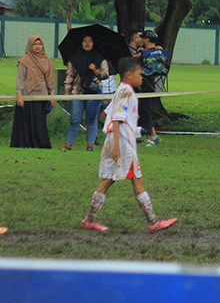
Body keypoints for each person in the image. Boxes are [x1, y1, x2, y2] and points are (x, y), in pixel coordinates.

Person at [80, 58, 177, 233]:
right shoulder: (126, 92)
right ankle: (153, 222)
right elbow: (117, 119)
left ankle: (90, 219)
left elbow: (108, 115)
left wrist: (138, 131)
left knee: (109, 179)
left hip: (119, 140)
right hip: (122, 144)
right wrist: (117, 144)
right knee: (137, 180)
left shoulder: (122, 91)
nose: (142, 77)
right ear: (129, 75)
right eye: (140, 74)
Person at [62, 35, 110, 152]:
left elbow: (105, 74)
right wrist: (66, 91)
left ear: (94, 43)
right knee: (74, 119)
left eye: (90, 41)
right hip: (77, 92)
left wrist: (95, 70)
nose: (87, 43)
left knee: (91, 119)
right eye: (84, 41)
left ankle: (90, 145)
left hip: (94, 92)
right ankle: (68, 145)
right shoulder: (74, 58)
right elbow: (69, 75)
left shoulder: (100, 58)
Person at [11, 35, 56, 149]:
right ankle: (24, 144)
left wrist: (52, 95)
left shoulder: (47, 60)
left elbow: (50, 78)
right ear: (30, 46)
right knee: (25, 122)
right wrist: (19, 95)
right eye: (35, 44)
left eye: (39, 44)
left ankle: (40, 144)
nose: (37, 47)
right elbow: (20, 79)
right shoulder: (24, 61)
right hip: (27, 96)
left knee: (39, 122)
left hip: (41, 96)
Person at [138, 30, 169, 147]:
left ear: (146, 40)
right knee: (145, 110)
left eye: (143, 38)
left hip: (146, 84)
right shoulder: (161, 52)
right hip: (156, 85)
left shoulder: (143, 54)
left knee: (144, 111)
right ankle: (155, 136)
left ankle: (150, 139)